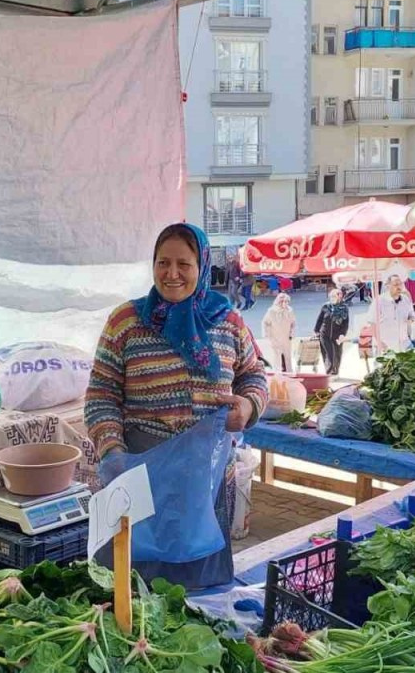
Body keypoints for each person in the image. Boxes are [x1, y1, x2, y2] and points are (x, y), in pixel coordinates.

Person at [85, 223, 267, 589]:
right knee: (133, 589)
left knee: (201, 588)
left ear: (202, 268)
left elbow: (254, 375)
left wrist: (248, 407)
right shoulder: (127, 323)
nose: (171, 274)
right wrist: (114, 452)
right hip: (139, 472)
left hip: (205, 479)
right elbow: (101, 394)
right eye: (162, 263)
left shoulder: (227, 322)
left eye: (184, 264)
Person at [367, 274, 415, 355]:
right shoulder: (379, 301)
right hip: (386, 346)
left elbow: (412, 315)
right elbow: (372, 324)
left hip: (405, 344)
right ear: (388, 286)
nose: (399, 287)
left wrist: (411, 319)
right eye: (395, 284)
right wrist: (379, 342)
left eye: (400, 284)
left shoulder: (405, 299)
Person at [315, 288, 350, 375]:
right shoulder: (325, 306)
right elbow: (320, 319)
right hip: (324, 333)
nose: (332, 298)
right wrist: (316, 330)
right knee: (329, 353)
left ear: (339, 297)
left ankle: (335, 371)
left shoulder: (344, 308)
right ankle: (329, 371)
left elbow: (346, 323)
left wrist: (343, 334)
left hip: (337, 335)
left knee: (337, 353)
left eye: (334, 296)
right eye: (331, 296)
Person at [262, 293, 296, 372]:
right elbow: (265, 322)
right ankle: (277, 372)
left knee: (287, 355)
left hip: (286, 337)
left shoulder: (290, 310)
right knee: (277, 355)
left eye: (287, 301)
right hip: (275, 336)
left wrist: (292, 333)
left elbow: (293, 323)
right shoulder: (271, 311)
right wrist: (267, 334)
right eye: (283, 301)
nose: (285, 303)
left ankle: (289, 371)